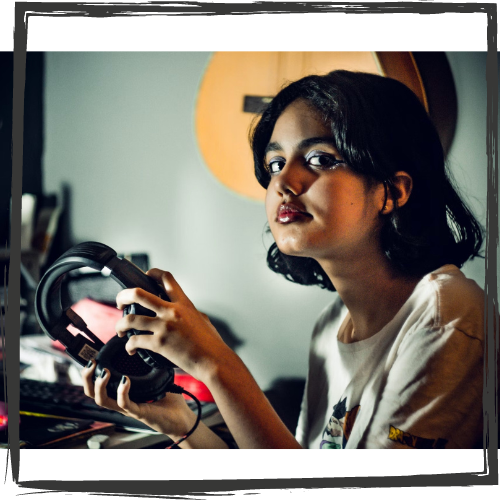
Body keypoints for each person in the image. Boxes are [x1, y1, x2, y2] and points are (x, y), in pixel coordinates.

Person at [82, 70, 485, 449]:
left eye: (321, 160)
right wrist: (181, 424)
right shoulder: (333, 324)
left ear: (392, 192)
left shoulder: (445, 320)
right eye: (275, 164)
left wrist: (214, 361)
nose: (283, 183)